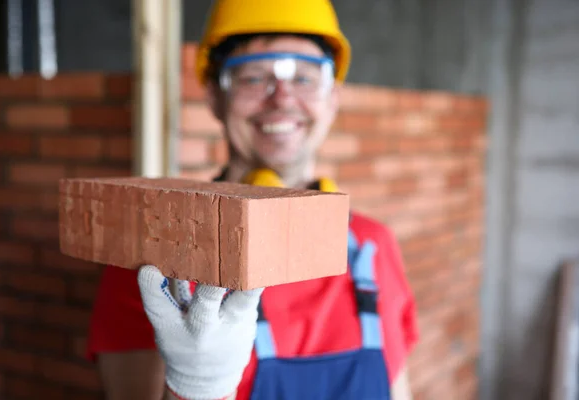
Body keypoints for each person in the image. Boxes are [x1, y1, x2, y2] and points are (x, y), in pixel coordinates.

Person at [85, 0, 419, 399]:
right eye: (254, 78)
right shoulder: (150, 256)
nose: (282, 99)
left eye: (305, 79)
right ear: (214, 97)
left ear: (334, 98)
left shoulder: (374, 246)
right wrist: (196, 387)